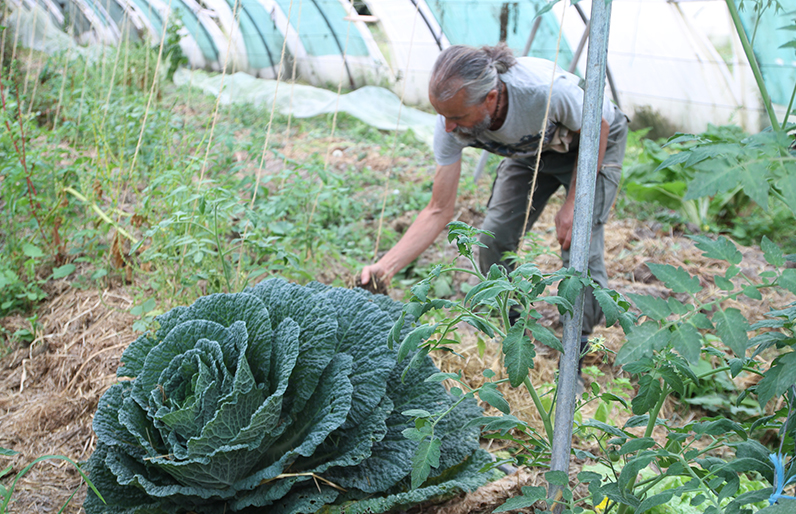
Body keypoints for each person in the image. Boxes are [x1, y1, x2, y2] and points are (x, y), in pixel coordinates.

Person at [361, 43, 628, 349]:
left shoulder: (543, 90)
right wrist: (386, 267)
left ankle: (577, 349)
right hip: (531, 151)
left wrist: (574, 204)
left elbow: (599, 125)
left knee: (578, 240)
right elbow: (438, 210)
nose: (447, 126)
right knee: (492, 237)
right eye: (443, 116)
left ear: (490, 98)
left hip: (592, 140)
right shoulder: (449, 121)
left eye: (458, 116)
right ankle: (515, 332)